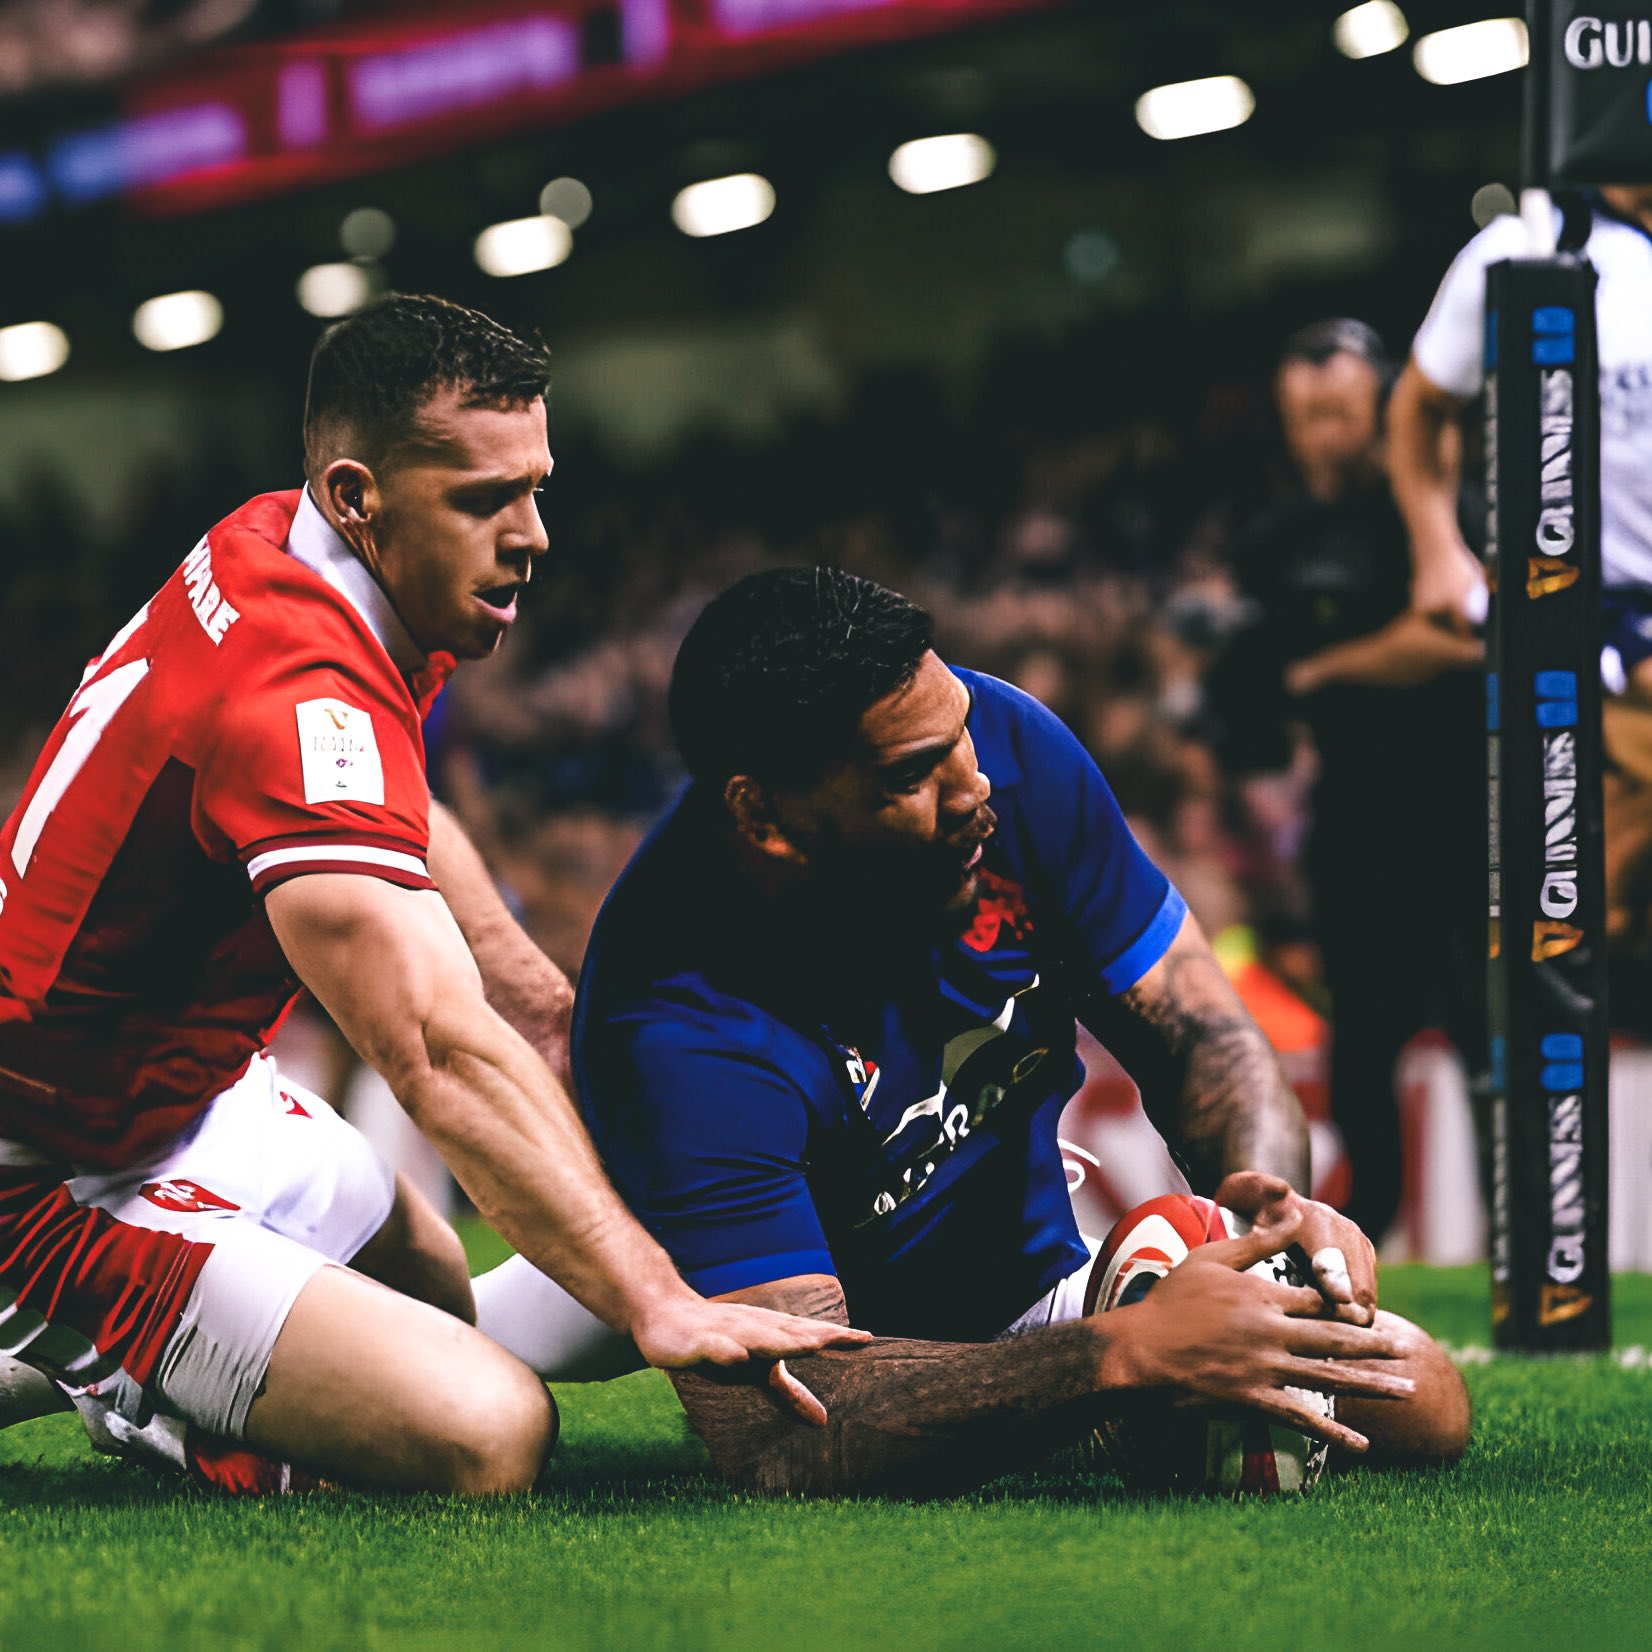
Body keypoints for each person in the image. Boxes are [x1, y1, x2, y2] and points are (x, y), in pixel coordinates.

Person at [0, 295, 862, 1496]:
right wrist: (657, 1301)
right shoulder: (291, 680)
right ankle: (147, 1400)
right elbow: (432, 1053)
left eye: (535, 486)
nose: (533, 534)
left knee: (429, 1282)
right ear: (358, 494)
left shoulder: (302, 551)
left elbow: (398, 806)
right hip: (40, 1166)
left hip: (171, 1094)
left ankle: (155, 1356)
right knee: (486, 1429)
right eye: (483, 499)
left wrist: (547, 1009)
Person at [472, 566, 1470, 1497]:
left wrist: (1266, 1208)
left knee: (1420, 1395)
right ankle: (363, 1322)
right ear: (765, 817)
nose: (974, 784)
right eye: (911, 773)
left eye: (959, 730)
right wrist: (1117, 1355)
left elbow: (1202, 1030)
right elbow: (780, 1431)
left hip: (1014, 1287)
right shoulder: (673, 1014)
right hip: (734, 1271)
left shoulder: (1006, 748)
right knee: (459, 1381)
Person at [1207, 320, 1485, 1247]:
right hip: (1356, 824)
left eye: (1338, 410)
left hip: (1468, 811)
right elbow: (1254, 691)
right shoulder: (1279, 539)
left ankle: (1519, 1244)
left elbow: (1458, 636)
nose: (1321, 432)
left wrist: (1317, 674)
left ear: (1383, 408)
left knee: (1490, 1034)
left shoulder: (1441, 510)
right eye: (1304, 415)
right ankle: (1366, 1245)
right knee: (1362, 1045)